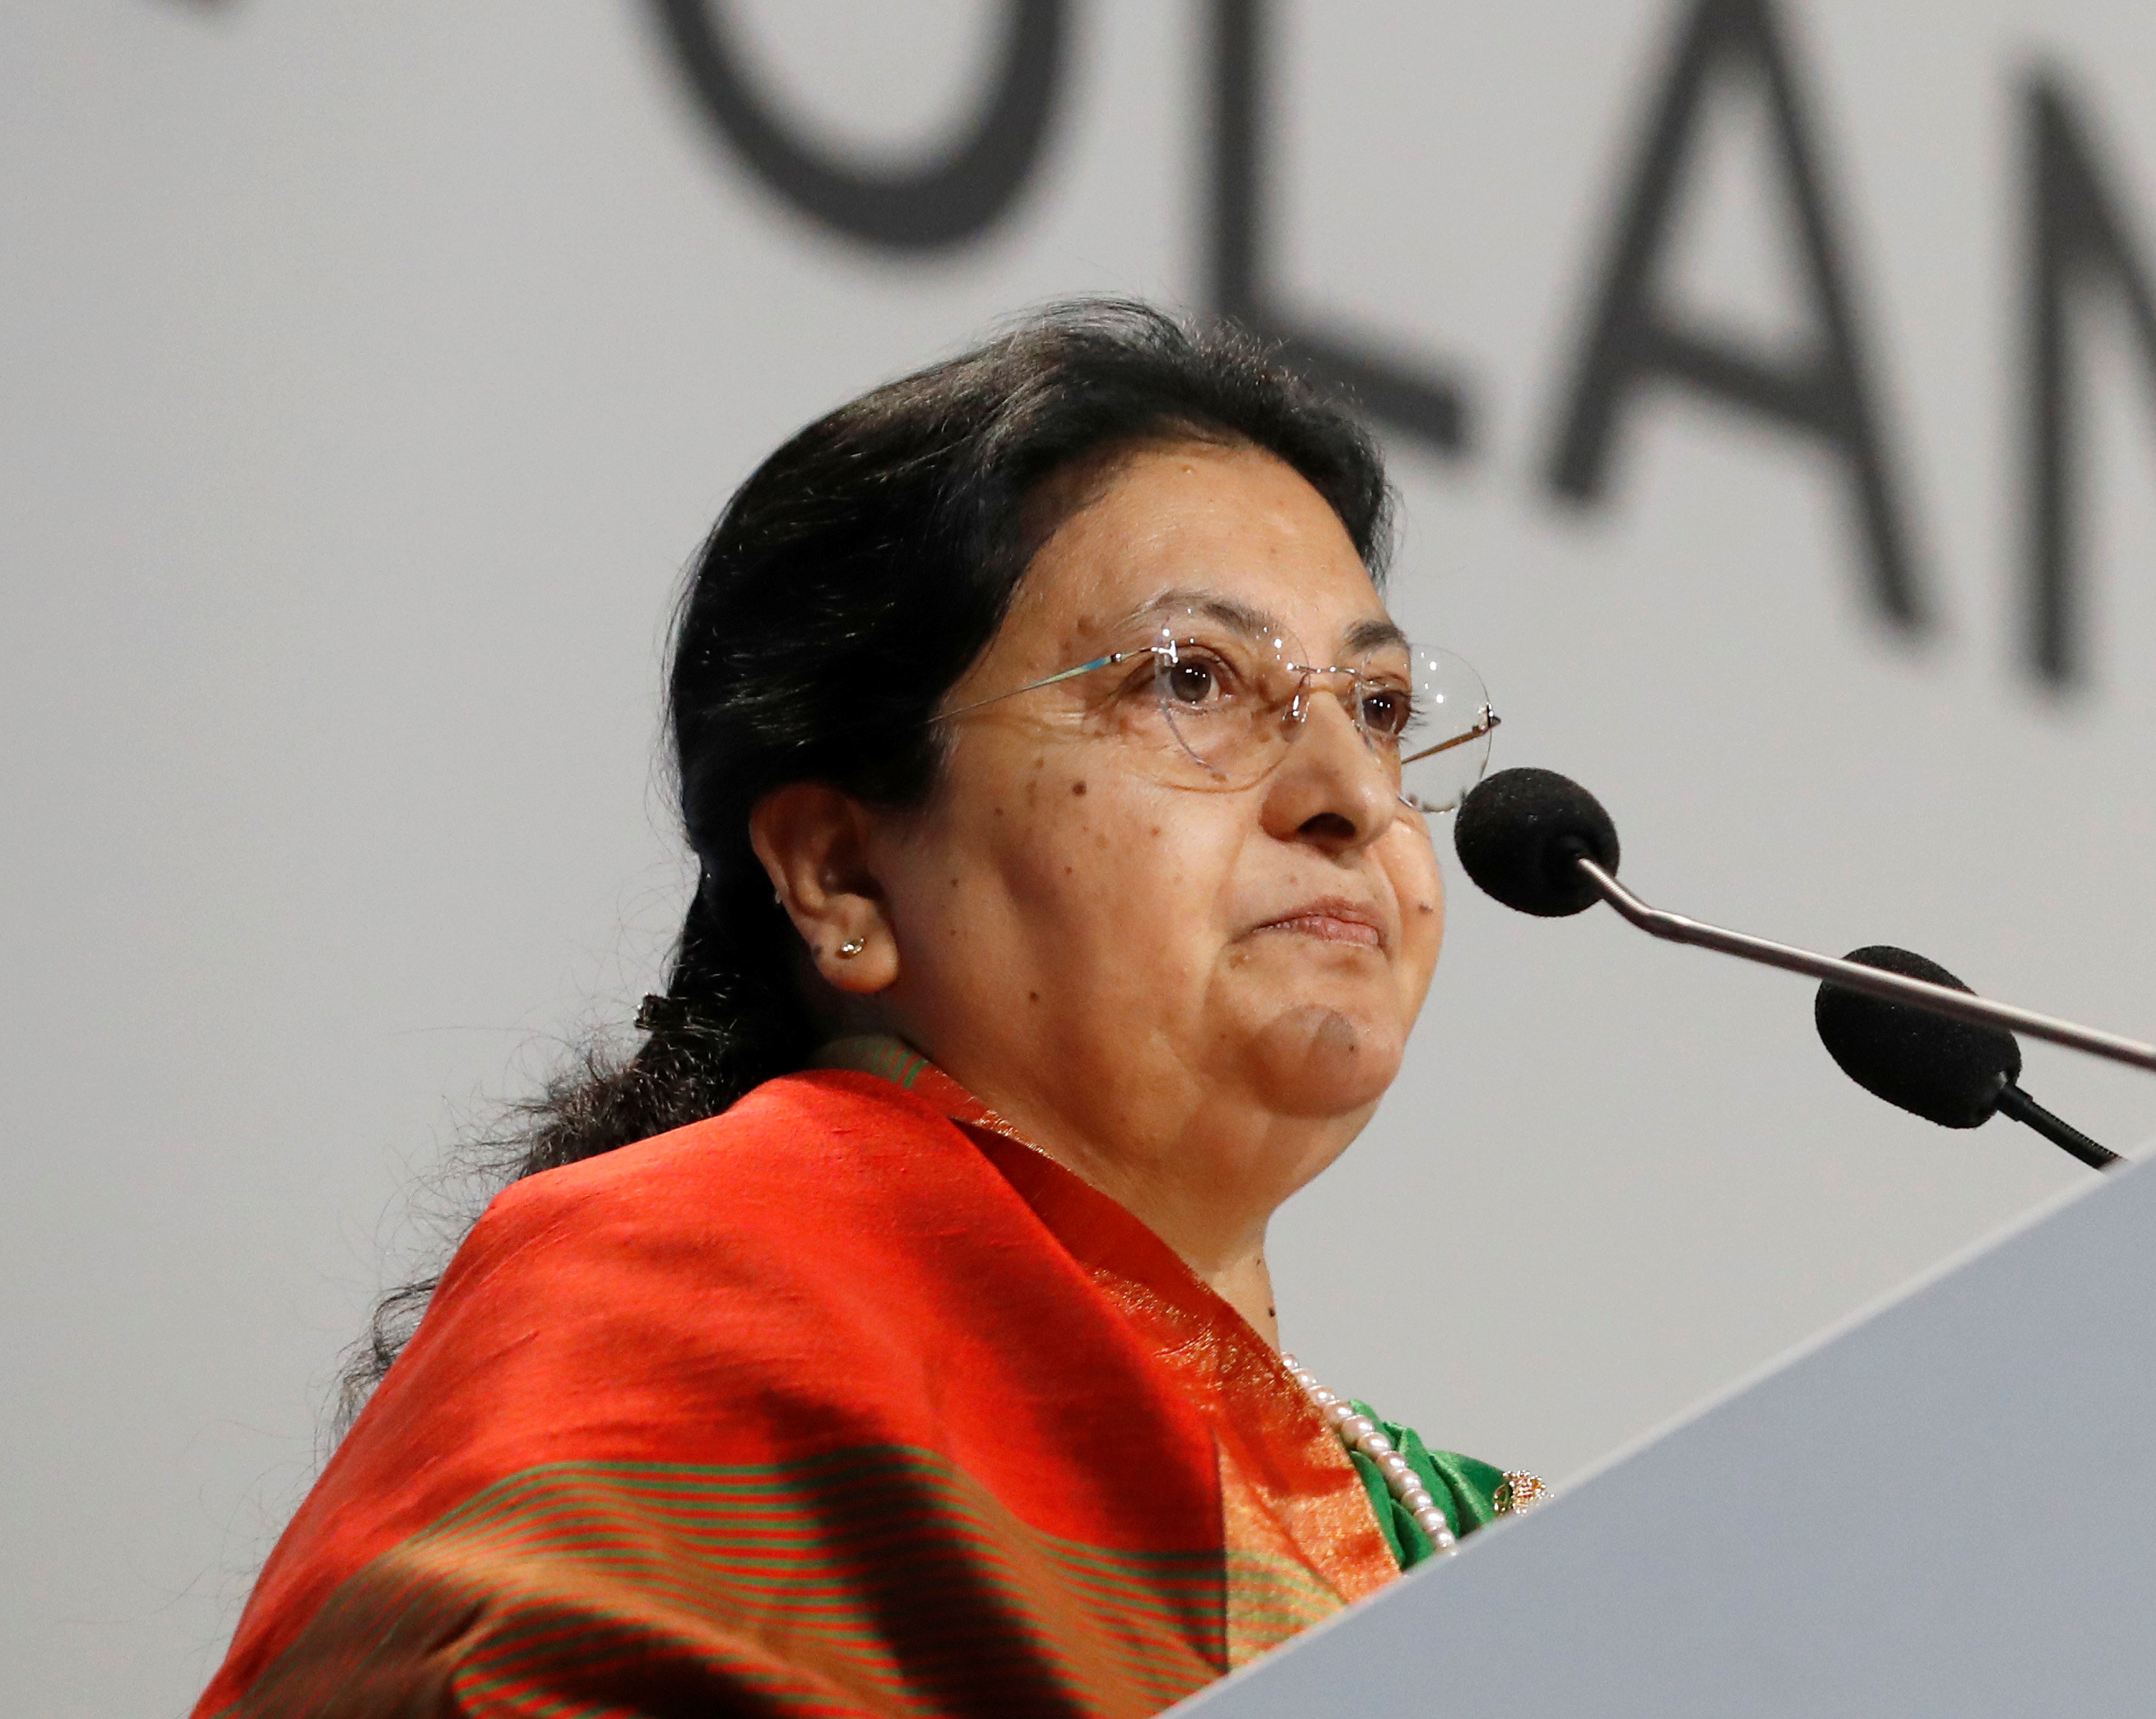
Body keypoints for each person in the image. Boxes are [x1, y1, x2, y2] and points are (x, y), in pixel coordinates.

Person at [194, 301, 1532, 1719]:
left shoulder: (1471, 1552)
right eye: (1191, 678)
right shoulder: (649, 1316)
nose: (1350, 794)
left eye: (1378, 706)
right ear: (840, 872)